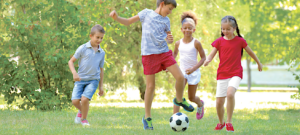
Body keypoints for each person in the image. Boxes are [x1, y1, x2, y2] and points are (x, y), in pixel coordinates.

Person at [109, 0, 194, 130]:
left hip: (164, 53)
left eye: (172, 10)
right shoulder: (146, 14)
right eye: (169, 8)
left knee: (181, 77)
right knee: (150, 87)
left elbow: (167, 38)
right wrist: (117, 18)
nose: (170, 12)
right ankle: (147, 118)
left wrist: (169, 40)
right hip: (149, 55)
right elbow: (128, 21)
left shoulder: (166, 21)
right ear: (162, 4)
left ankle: (179, 99)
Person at [204, 16, 263, 132]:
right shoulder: (219, 41)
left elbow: (250, 52)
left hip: (236, 72)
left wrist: (258, 62)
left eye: (228, 29)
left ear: (234, 28)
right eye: (223, 29)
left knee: (230, 94)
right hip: (222, 74)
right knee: (219, 102)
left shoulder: (240, 41)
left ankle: (229, 122)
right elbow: (212, 54)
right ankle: (221, 122)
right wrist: (208, 60)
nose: (225, 32)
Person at [68, 24, 106, 126]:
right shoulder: (83, 48)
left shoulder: (101, 52)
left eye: (101, 38)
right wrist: (74, 73)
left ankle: (84, 119)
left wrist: (101, 86)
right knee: (75, 101)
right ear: (91, 36)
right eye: (97, 37)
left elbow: (101, 70)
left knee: (84, 99)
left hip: (93, 80)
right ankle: (81, 111)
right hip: (80, 79)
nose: (99, 40)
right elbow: (71, 62)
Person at [172, 11, 206, 120]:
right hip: (182, 72)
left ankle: (200, 104)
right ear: (181, 29)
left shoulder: (196, 43)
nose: (187, 30)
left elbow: (203, 58)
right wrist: (169, 66)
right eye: (185, 28)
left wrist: (193, 69)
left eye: (190, 28)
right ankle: (174, 117)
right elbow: (174, 55)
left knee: (191, 97)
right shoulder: (178, 43)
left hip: (194, 72)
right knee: (178, 95)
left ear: (194, 30)